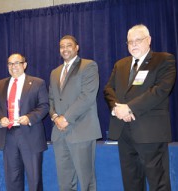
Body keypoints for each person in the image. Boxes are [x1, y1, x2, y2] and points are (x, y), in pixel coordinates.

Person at [104, 24, 176, 191]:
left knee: (158, 182)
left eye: (138, 40)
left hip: (150, 132)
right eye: (130, 42)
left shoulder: (164, 60)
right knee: (131, 183)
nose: (134, 44)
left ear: (149, 40)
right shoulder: (120, 64)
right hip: (123, 131)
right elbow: (108, 89)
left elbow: (160, 91)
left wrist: (129, 108)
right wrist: (117, 109)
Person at [0, 53, 49, 191]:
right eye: (10, 64)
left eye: (17, 63)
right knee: (12, 179)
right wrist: (0, 118)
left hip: (30, 135)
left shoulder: (37, 83)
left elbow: (44, 106)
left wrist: (29, 117)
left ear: (24, 65)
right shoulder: (0, 85)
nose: (13, 66)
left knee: (34, 179)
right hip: (9, 136)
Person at [49, 35, 102, 191]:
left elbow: (87, 96)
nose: (65, 49)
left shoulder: (89, 66)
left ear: (76, 47)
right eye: (61, 46)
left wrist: (66, 118)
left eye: (68, 45)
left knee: (87, 181)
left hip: (82, 131)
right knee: (64, 183)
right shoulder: (55, 72)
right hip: (59, 133)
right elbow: (51, 99)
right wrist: (55, 117)